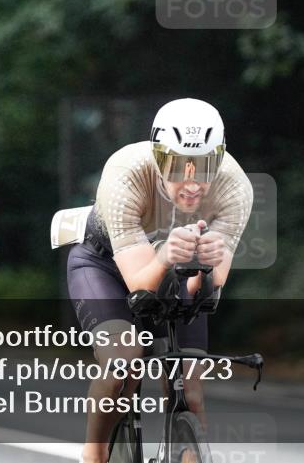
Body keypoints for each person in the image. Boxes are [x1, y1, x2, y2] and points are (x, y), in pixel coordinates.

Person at [66, 98, 254, 463]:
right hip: (104, 266)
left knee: (190, 389)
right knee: (124, 364)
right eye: (176, 165)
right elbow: (139, 285)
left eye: (205, 166)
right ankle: (95, 452)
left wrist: (207, 268)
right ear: (156, 157)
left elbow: (206, 297)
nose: (191, 183)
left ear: (221, 158)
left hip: (180, 270)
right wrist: (166, 254)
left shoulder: (235, 187)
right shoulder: (125, 172)